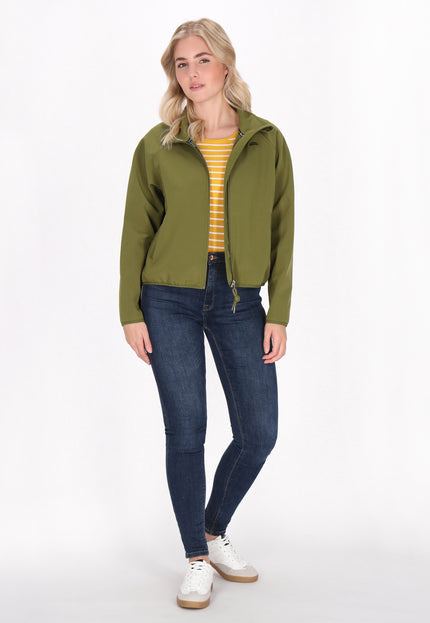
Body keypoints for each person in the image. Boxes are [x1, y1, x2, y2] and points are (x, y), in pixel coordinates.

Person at [119, 17, 294, 609]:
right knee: (187, 427)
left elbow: (283, 230)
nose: (191, 73)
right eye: (181, 63)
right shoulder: (159, 143)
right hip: (167, 296)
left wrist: (279, 311)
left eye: (201, 60)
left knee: (259, 432)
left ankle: (213, 530)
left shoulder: (266, 140)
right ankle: (196, 557)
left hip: (241, 298)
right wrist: (130, 310)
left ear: (225, 64)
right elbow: (136, 230)